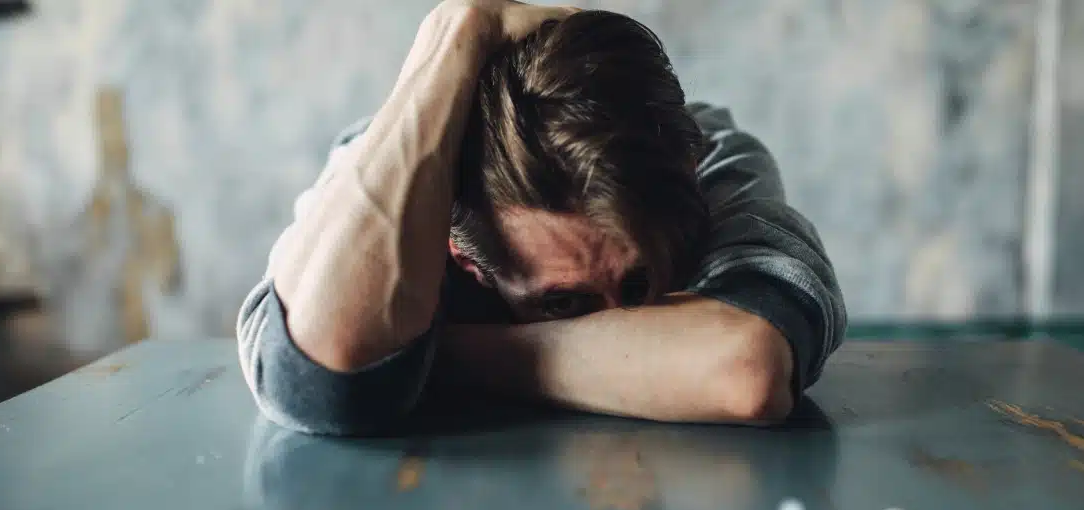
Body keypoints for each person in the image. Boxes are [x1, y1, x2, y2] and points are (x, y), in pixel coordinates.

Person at [237, 0, 846, 436]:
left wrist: (440, 358)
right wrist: (461, 26)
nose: (621, 326)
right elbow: (319, 384)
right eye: (564, 303)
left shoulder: (710, 158)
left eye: (638, 283)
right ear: (461, 255)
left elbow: (745, 372)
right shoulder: (384, 189)